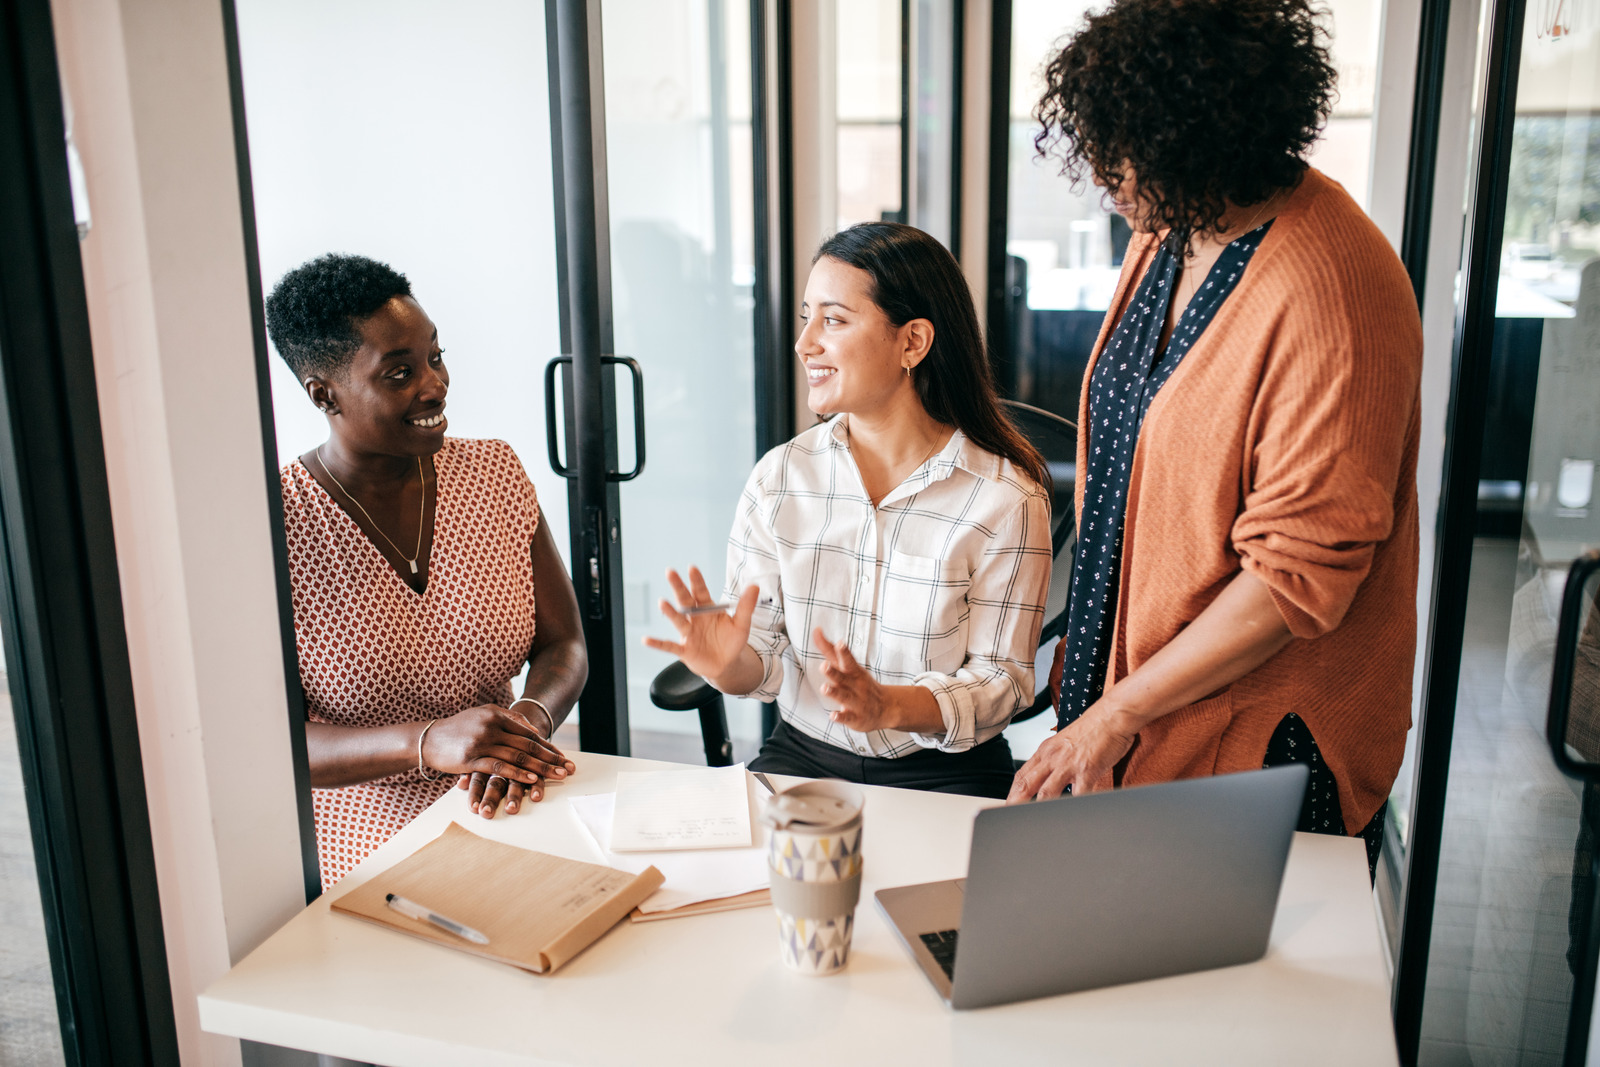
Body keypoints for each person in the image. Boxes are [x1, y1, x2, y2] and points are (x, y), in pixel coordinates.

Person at [1006, 0, 1423, 876]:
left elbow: (1292, 580)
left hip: (1252, 747)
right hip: (1131, 711)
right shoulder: (1171, 229)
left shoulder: (1332, 285)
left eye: (1131, 150)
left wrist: (1118, 714)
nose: (1109, 177)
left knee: (1220, 1005)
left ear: (1205, 136)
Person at [647, 223, 1052, 799]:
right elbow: (762, 661)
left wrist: (888, 705)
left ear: (912, 342)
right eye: (807, 315)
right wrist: (725, 663)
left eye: (833, 320)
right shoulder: (780, 477)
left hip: (944, 771)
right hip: (803, 754)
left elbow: (1003, 681)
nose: (805, 341)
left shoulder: (1006, 495)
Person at [266, 254, 587, 888]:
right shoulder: (276, 524)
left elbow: (564, 643)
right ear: (323, 393)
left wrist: (528, 721)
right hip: (365, 840)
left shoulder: (493, 473)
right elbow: (275, 743)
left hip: (508, 798)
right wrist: (425, 742)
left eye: (435, 358)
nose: (434, 385)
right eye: (400, 373)